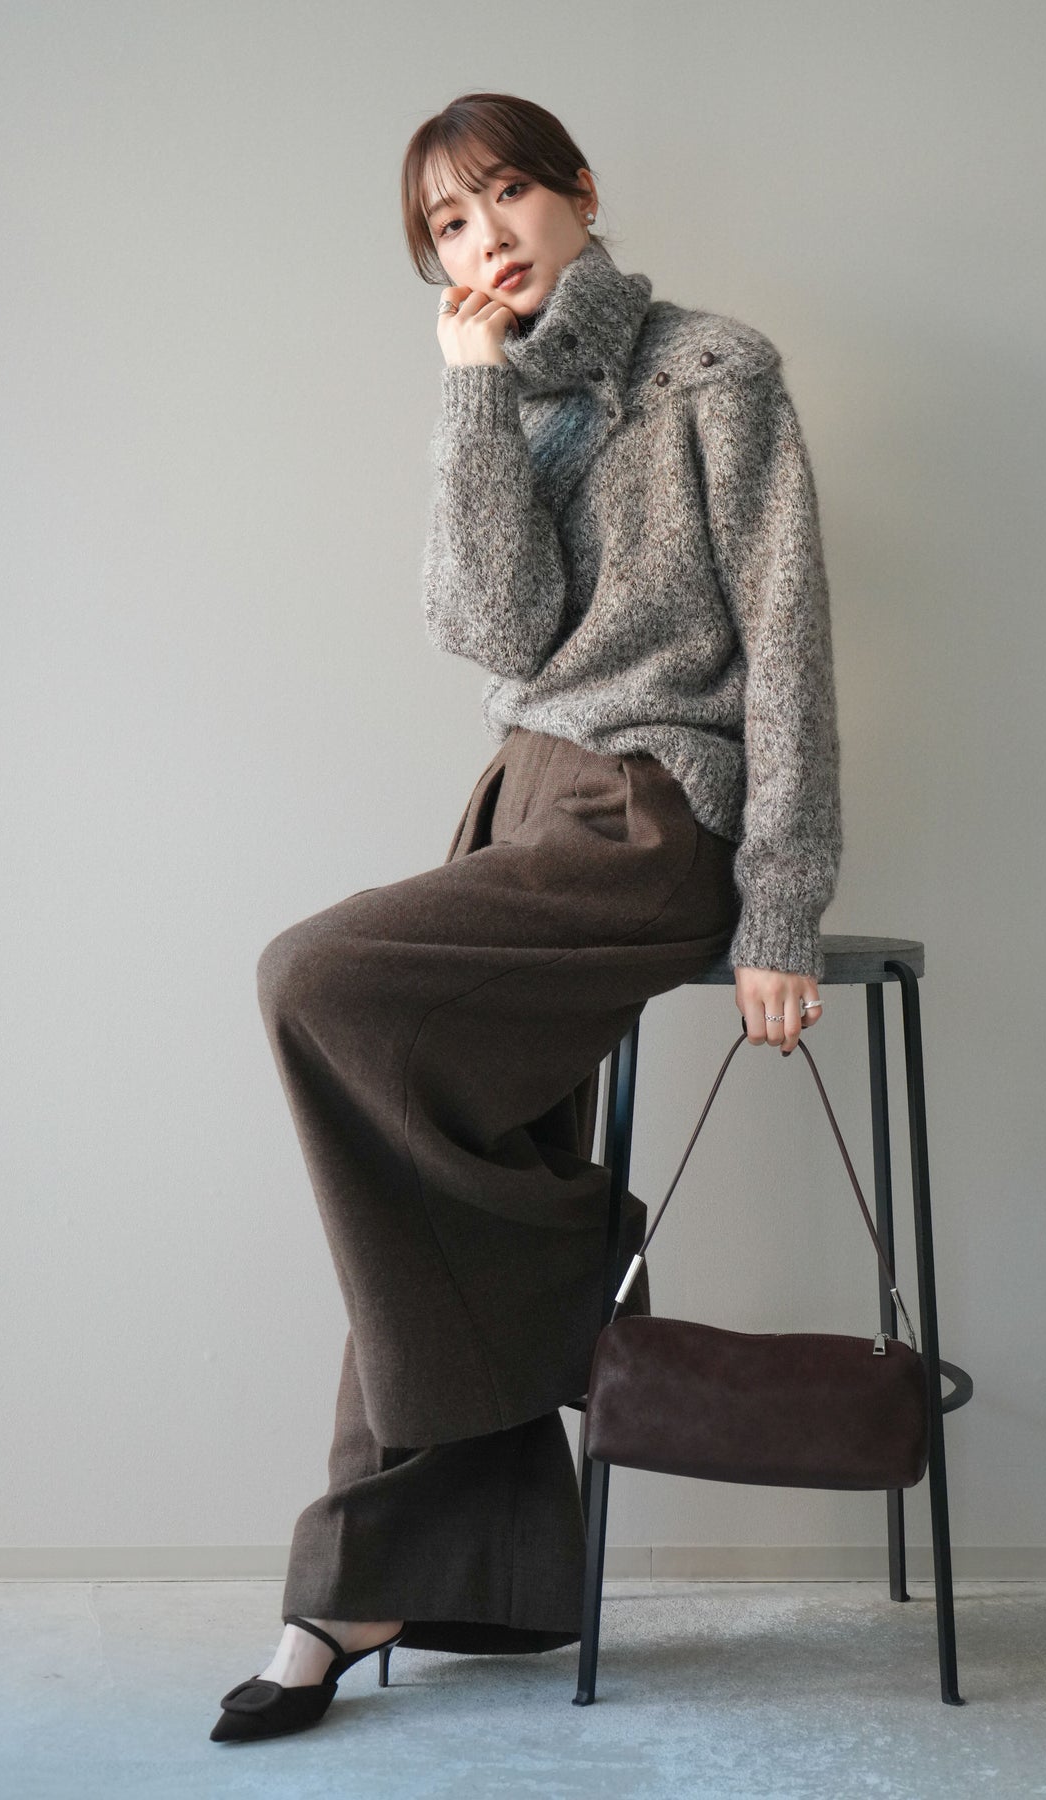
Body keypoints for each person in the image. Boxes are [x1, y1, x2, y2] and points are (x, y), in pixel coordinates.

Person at [210, 90, 842, 1744]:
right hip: (516, 799)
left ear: (578, 189)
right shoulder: (496, 389)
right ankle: (391, 1587)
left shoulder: (710, 370)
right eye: (446, 224)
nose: (482, 238)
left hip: (644, 815)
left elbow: (787, 638)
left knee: (310, 981)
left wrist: (779, 906)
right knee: (413, 1174)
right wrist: (470, 389)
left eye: (503, 195)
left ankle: (559, 1289)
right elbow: (486, 625)